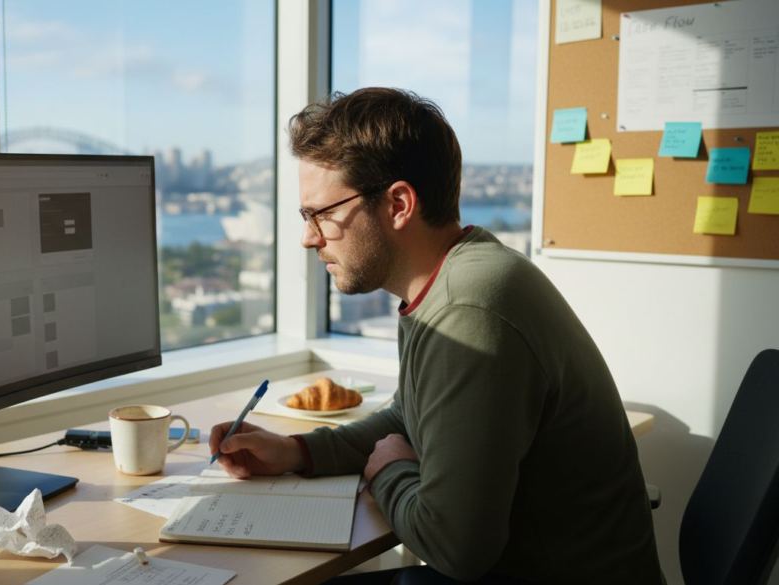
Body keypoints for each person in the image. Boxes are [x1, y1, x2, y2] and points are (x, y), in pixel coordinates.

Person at [209, 88, 663, 584]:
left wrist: (388, 472)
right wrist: (298, 451)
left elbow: (456, 547)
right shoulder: (458, 275)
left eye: (322, 213)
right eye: (305, 216)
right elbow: (409, 415)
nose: (309, 236)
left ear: (399, 204)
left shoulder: (469, 307)